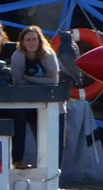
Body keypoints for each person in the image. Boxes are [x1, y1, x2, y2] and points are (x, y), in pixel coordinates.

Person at [9, 26, 65, 167]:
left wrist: (30, 78)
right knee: (24, 129)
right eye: (28, 39)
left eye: (35, 39)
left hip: (51, 103)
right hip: (28, 103)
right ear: (22, 42)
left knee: (54, 140)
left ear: (40, 41)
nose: (32, 43)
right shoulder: (18, 56)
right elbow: (18, 81)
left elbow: (53, 81)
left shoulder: (48, 54)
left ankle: (54, 173)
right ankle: (18, 162)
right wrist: (41, 79)